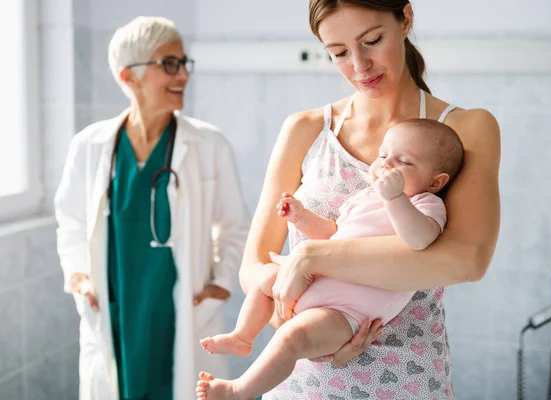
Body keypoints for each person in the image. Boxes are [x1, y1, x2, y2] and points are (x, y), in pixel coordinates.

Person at [206, 0, 501, 398]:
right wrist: (301, 325)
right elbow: (254, 264)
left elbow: (465, 261)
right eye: (339, 53)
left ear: (406, 18)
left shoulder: (464, 130)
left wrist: (312, 259)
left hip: (406, 381)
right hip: (303, 382)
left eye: (372, 41)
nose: (360, 66)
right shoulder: (305, 129)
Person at [196, 119, 464, 399]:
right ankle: (243, 336)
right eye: (383, 155)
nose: (387, 165)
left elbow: (418, 239)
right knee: (266, 279)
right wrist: (301, 217)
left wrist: (395, 197)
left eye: (404, 161)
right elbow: (333, 234)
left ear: (436, 181)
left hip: (346, 314)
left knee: (292, 339)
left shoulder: (426, 205)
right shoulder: (365, 197)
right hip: (314, 285)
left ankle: (239, 390)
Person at [54, 16, 248, 400]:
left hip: (181, 308)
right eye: (169, 64)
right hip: (115, 305)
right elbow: (71, 221)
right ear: (130, 76)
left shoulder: (210, 144)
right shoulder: (89, 146)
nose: (183, 76)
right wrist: (78, 275)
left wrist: (221, 285)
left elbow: (235, 226)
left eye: (183, 63)